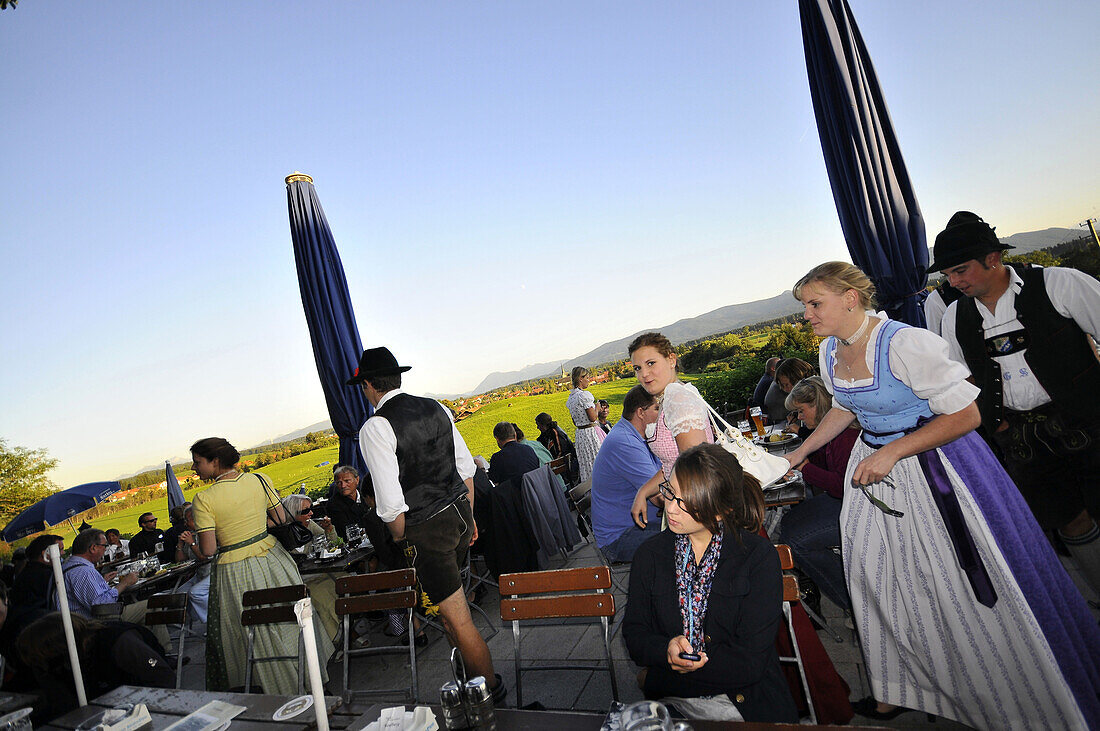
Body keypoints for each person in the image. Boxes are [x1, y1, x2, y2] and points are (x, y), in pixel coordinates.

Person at [782, 261, 1100, 728]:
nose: (806, 314)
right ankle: (903, 687)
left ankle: (1004, 686)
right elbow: (846, 408)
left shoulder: (907, 343)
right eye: (805, 305)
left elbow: (967, 415)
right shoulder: (832, 352)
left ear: (850, 298)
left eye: (814, 303)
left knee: (958, 582)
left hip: (938, 469)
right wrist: (798, 453)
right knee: (876, 580)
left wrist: (894, 452)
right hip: (875, 470)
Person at [933, 211, 1100, 599]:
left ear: (993, 259)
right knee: (1067, 519)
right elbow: (963, 379)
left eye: (960, 270)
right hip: (1023, 437)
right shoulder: (955, 316)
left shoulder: (1058, 283)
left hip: (1089, 419)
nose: (953, 282)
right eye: (948, 274)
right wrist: (997, 424)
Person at [350, 346, 505, 702]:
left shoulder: (376, 426)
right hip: (459, 516)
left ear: (369, 386)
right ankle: (471, 686)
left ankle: (493, 695)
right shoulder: (436, 406)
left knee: (458, 620)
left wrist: (404, 539)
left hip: (426, 532)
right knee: (452, 618)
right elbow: (467, 468)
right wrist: (469, 515)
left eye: (362, 386)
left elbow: (389, 506)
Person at [623, 444, 798, 723]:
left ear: (720, 511)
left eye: (685, 502)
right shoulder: (650, 556)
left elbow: (750, 663)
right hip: (676, 702)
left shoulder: (757, 558)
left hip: (748, 703)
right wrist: (665, 650)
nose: (670, 508)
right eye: (670, 493)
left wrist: (666, 672)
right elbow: (634, 633)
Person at [190, 437, 333, 694]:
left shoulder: (203, 499)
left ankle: (274, 690)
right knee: (289, 619)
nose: (193, 468)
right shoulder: (259, 479)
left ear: (215, 461)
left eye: (197, 462)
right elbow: (279, 518)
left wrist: (199, 544)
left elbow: (209, 550)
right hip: (271, 558)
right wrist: (253, 526)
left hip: (234, 571)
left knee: (252, 631)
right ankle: (310, 680)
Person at [775, 376, 857, 614]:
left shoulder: (846, 436)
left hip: (854, 506)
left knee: (795, 542)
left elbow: (843, 485)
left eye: (801, 411)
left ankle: (854, 604)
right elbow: (825, 465)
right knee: (790, 520)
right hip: (841, 501)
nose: (799, 417)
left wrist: (805, 468)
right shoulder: (830, 435)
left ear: (818, 406)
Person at [627, 332, 714, 528]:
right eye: (637, 368)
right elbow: (674, 462)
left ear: (671, 359)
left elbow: (695, 468)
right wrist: (644, 491)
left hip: (695, 508)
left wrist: (677, 508)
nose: (644, 374)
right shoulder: (676, 394)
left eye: (651, 363)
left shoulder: (677, 399)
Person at [17, 612, 174, 721]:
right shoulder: (62, 665)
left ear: (56, 649)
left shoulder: (117, 642)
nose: (42, 666)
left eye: (41, 659)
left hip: (141, 709)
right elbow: (65, 705)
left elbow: (163, 680)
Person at [591, 385, 663, 562]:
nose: (663, 414)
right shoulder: (625, 443)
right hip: (620, 537)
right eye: (657, 408)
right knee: (691, 538)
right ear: (641, 412)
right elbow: (660, 498)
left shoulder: (641, 435)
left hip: (639, 523)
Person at [282, 493, 341, 642]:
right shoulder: (283, 537)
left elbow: (333, 545)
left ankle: (348, 628)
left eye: (311, 509)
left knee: (346, 581)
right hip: (303, 580)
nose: (311, 513)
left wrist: (329, 530)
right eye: (305, 511)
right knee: (323, 597)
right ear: (292, 514)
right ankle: (341, 638)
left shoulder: (309, 524)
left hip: (322, 572)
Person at [166, 504, 212, 625]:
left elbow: (204, 557)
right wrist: (180, 545)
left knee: (195, 593)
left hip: (213, 572)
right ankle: (193, 620)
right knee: (179, 594)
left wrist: (192, 543)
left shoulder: (208, 533)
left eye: (187, 520)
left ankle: (211, 622)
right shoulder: (192, 534)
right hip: (199, 574)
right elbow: (181, 560)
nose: (185, 523)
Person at [566, 367, 603, 484]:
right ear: (580, 379)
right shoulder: (584, 396)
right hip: (590, 433)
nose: (589, 380)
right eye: (587, 378)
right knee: (598, 459)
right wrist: (597, 408)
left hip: (580, 435)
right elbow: (592, 417)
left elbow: (574, 421)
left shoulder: (571, 398)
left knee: (587, 463)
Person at [488, 422, 539, 487]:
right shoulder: (529, 449)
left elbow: (494, 480)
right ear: (515, 435)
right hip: (537, 491)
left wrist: (482, 469)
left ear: (497, 439)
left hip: (516, 495)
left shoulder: (497, 457)